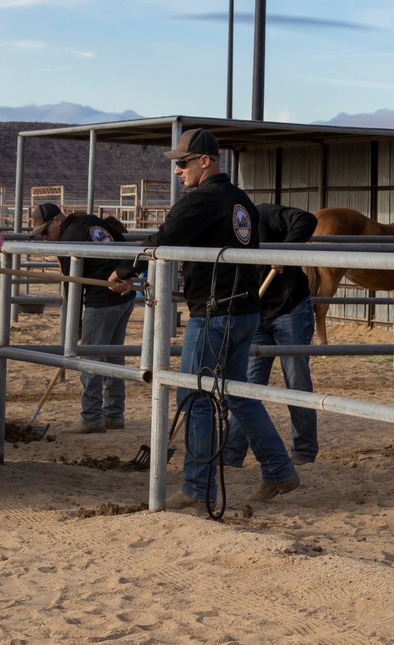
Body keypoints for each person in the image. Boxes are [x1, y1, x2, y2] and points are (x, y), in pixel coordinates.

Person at [108, 128, 299, 511]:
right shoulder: (240, 201)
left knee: (194, 396)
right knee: (236, 393)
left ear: (204, 162)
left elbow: (163, 239)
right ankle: (279, 471)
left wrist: (122, 271)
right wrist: (141, 277)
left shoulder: (203, 199)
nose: (178, 171)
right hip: (244, 311)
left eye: (183, 163)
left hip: (214, 314)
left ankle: (197, 488)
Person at [225, 203, 320, 467]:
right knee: (248, 385)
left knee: (296, 379)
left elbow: (306, 218)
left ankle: (304, 450)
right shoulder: (223, 231)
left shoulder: (262, 214)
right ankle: (231, 453)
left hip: (291, 308)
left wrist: (283, 251)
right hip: (254, 312)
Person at [31, 203, 137, 434]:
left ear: (57, 221)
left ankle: (91, 418)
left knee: (90, 360)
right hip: (124, 298)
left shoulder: (68, 242)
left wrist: (75, 325)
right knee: (114, 357)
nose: (46, 239)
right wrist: (129, 275)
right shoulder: (90, 220)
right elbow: (124, 244)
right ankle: (114, 415)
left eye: (46, 232)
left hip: (100, 303)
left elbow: (73, 287)